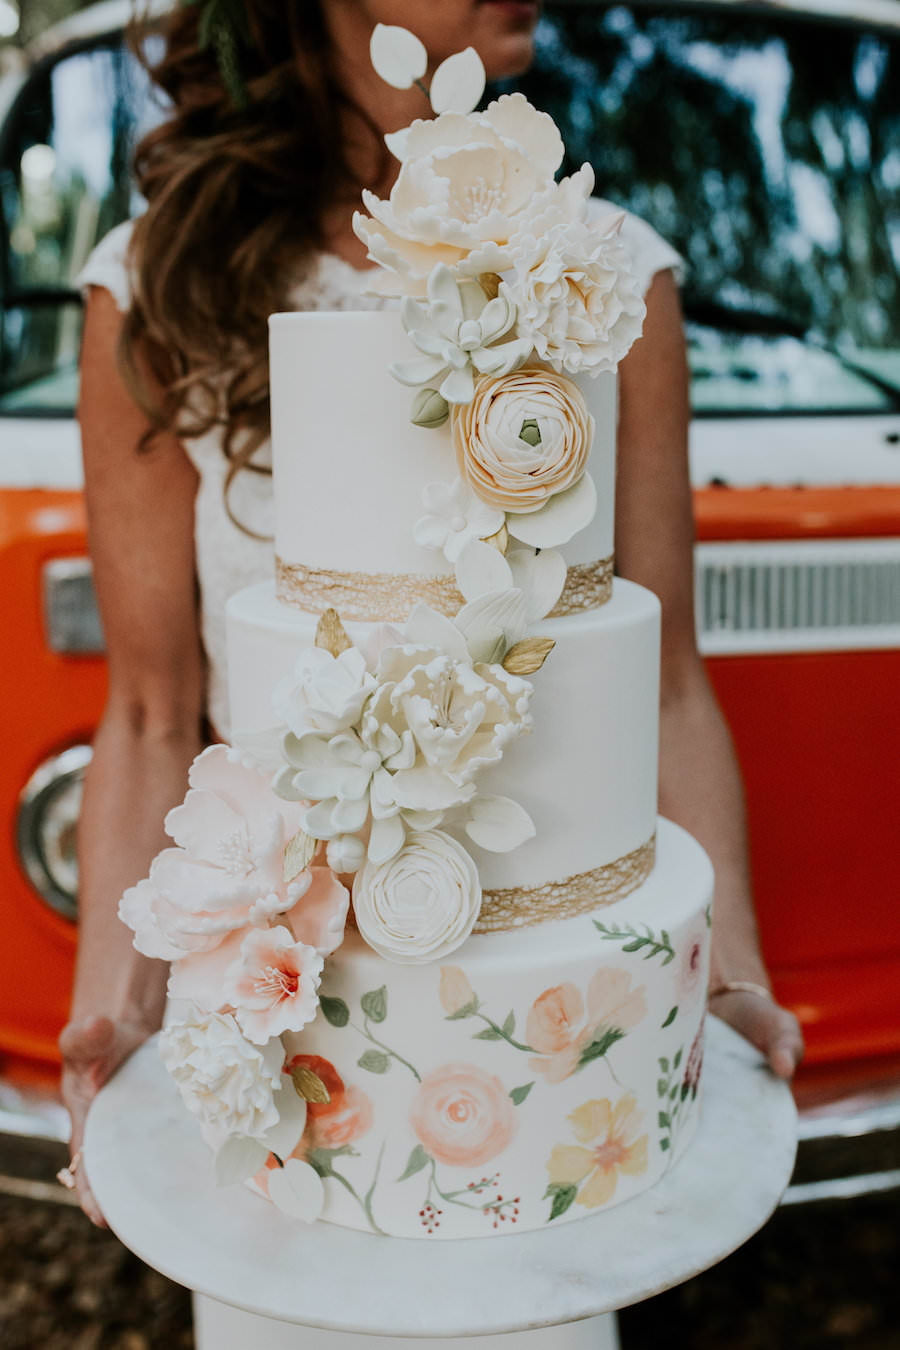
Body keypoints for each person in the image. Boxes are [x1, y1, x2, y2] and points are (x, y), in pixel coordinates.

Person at [58, 0, 804, 1226]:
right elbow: (148, 714)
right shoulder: (159, 285)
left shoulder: (603, 279)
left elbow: (660, 678)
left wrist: (717, 983)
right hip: (280, 1005)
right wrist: (122, 1013)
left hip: (554, 1035)